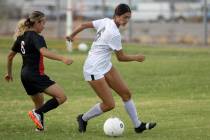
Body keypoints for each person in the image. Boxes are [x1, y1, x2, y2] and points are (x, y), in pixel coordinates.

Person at [66, 3, 156, 134]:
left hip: (104, 65)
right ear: (117, 16)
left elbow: (84, 25)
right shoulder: (113, 33)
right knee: (109, 104)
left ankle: (138, 126)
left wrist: (71, 35)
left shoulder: (106, 21)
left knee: (126, 94)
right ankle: (83, 118)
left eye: (128, 18)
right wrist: (136, 57)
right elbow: (121, 57)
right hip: (93, 69)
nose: (126, 21)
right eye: (125, 17)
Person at [5, 11, 73, 131]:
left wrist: (9, 73)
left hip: (24, 75)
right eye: (43, 23)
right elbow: (44, 52)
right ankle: (37, 113)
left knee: (39, 102)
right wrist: (63, 58)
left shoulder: (21, 37)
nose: (44, 26)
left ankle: (39, 128)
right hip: (35, 75)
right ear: (36, 22)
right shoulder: (36, 37)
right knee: (61, 97)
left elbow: (10, 56)